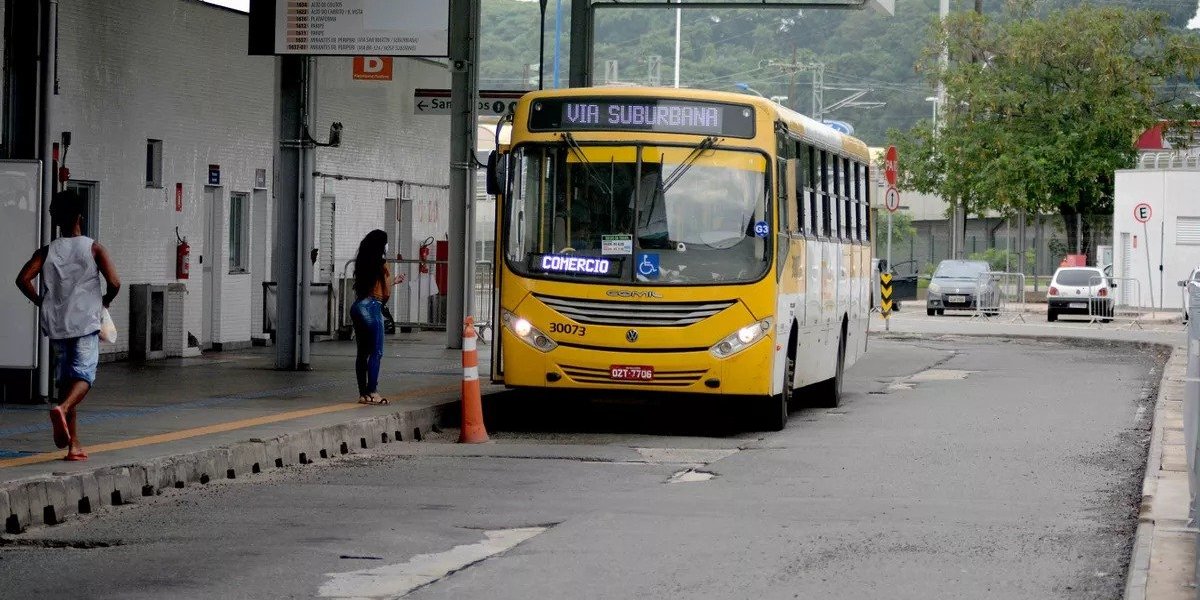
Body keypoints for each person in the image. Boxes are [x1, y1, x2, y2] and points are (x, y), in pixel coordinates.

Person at [14, 190, 120, 461]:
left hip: (58, 327)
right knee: (84, 377)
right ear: (79, 216)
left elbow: (23, 278)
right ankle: (62, 409)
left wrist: (41, 301)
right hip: (85, 324)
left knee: (67, 383)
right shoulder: (93, 247)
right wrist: (104, 301)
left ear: (58, 219)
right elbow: (115, 282)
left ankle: (74, 445)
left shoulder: (48, 251)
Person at [350, 229, 391, 405]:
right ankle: (373, 392)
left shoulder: (362, 262)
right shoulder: (383, 264)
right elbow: (386, 292)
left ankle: (363, 394)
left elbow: (370, 286)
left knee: (362, 353)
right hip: (373, 308)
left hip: (358, 307)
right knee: (376, 352)